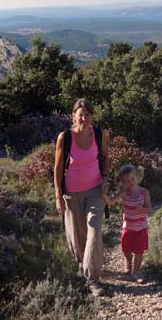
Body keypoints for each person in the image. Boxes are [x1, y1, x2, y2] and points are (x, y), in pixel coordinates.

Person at [54, 98, 110, 297]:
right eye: (80, 114)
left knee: (94, 230)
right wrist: (58, 195)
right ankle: (83, 265)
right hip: (71, 192)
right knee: (78, 236)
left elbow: (104, 156)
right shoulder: (65, 137)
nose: (84, 118)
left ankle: (92, 279)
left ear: (92, 116)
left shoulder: (99, 134)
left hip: (95, 190)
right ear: (73, 116)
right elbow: (58, 167)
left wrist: (105, 178)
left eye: (87, 114)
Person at [103, 164, 152, 284]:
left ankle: (136, 271)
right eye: (127, 181)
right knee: (126, 249)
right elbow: (111, 202)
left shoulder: (144, 192)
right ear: (123, 182)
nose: (130, 182)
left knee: (139, 251)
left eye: (132, 179)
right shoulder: (125, 193)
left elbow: (150, 210)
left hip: (140, 228)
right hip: (128, 228)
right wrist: (104, 194)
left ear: (137, 176)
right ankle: (128, 262)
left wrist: (143, 210)